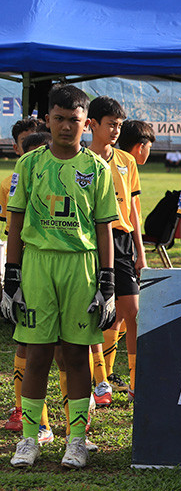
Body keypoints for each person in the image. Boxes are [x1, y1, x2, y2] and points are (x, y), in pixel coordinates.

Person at [2, 85, 118, 470]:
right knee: (35, 354)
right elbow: (15, 221)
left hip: (80, 265)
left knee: (75, 354)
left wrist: (108, 283)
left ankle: (78, 441)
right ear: (48, 120)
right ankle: (30, 439)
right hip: (38, 264)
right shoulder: (29, 164)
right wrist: (11, 277)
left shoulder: (97, 168)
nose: (67, 127)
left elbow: (104, 228)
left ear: (86, 123)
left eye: (75, 120)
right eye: (59, 119)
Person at [87, 97, 145, 406]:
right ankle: (100, 381)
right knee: (94, 313)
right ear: (92, 124)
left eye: (119, 125)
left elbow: (134, 208)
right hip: (90, 241)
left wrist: (140, 250)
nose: (116, 130)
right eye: (111, 124)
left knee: (132, 311)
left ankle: (136, 382)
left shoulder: (127, 160)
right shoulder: (81, 159)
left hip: (122, 242)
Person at [2, 129, 55, 443]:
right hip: (27, 267)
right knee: (28, 345)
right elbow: (12, 229)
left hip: (65, 269)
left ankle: (78, 421)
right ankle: (34, 420)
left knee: (66, 352)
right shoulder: (13, 183)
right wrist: (12, 275)